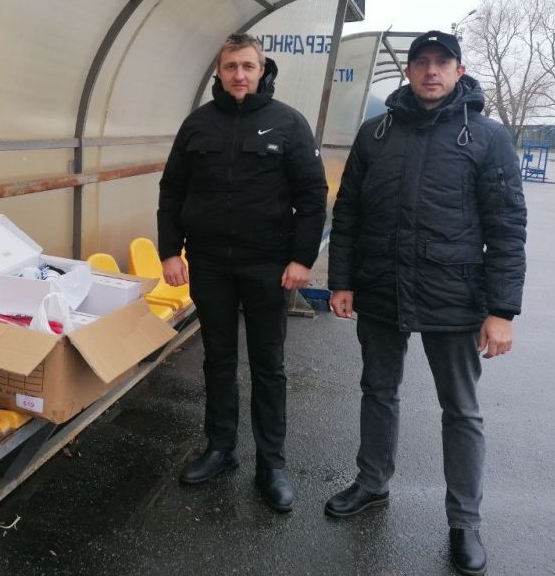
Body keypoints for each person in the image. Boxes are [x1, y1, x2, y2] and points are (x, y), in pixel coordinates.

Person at [324, 31, 527, 576]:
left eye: (442, 63)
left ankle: (465, 521)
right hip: (381, 287)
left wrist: (501, 310)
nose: (431, 71)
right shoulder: (376, 133)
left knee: (460, 409)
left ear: (459, 71)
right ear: (408, 72)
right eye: (422, 63)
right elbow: (348, 212)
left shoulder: (486, 137)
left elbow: (507, 227)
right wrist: (341, 281)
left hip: (454, 295)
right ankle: (372, 483)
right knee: (378, 391)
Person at [157, 33, 327, 513]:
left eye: (248, 66)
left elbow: (312, 196)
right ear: (219, 71)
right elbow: (172, 190)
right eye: (231, 66)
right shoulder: (197, 125)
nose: (239, 75)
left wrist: (302, 259)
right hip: (209, 263)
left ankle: (271, 464)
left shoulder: (288, 123)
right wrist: (170, 251)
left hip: (268, 266)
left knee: (268, 364)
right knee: (218, 359)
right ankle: (220, 449)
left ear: (262, 69)